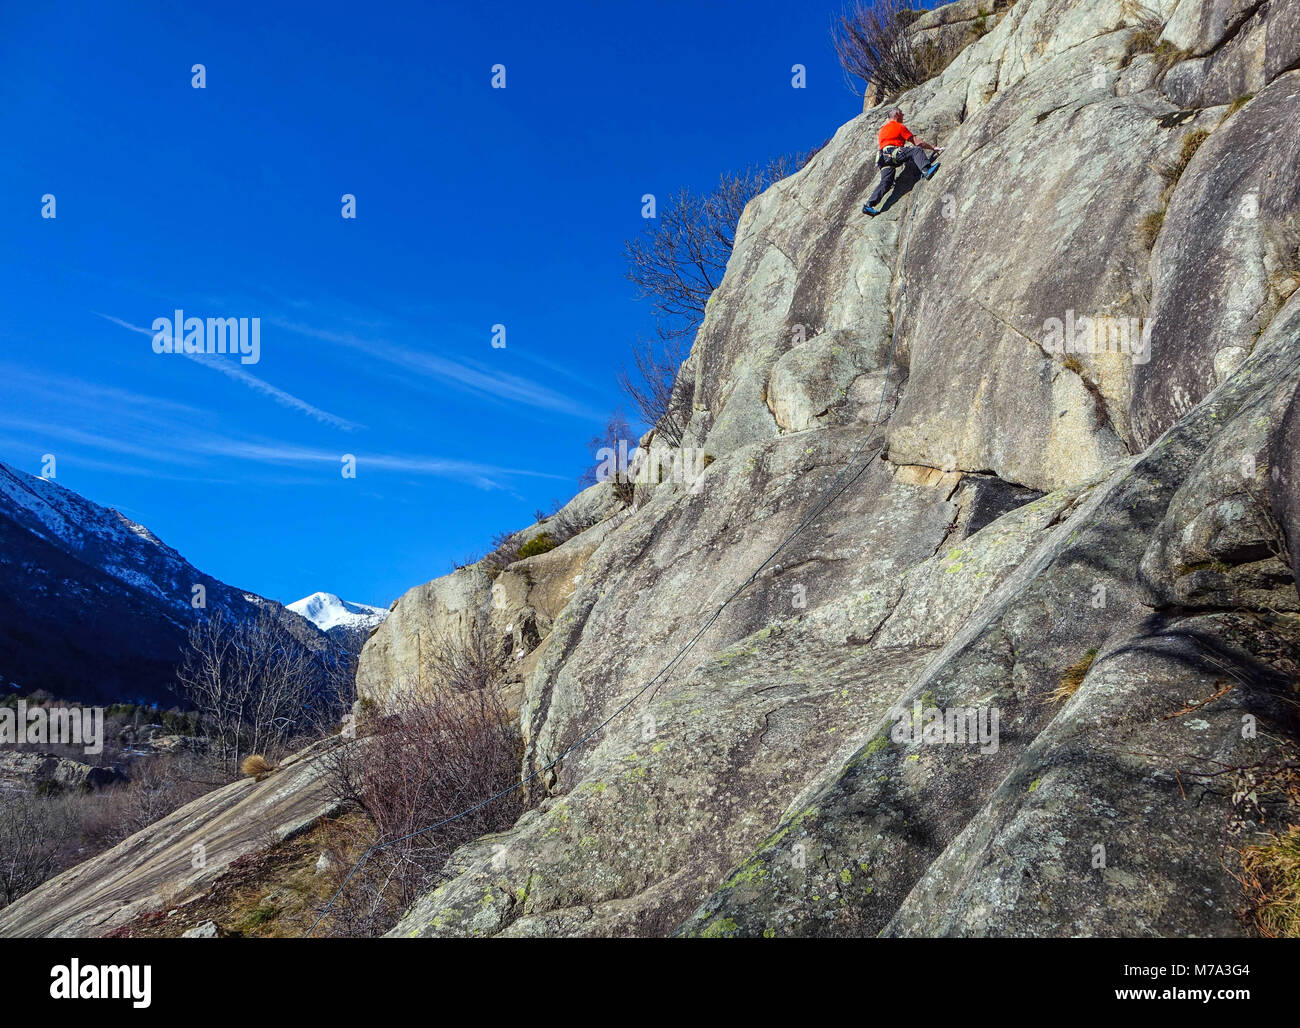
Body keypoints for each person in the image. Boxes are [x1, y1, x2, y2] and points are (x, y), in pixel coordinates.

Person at [862, 108, 944, 216]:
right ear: (897, 115)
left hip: (883, 158)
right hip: (893, 153)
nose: (903, 115)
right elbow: (917, 143)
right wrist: (933, 148)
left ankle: (869, 205)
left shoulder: (883, 130)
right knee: (916, 151)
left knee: (886, 182)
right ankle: (927, 170)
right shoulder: (899, 126)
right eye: (901, 113)